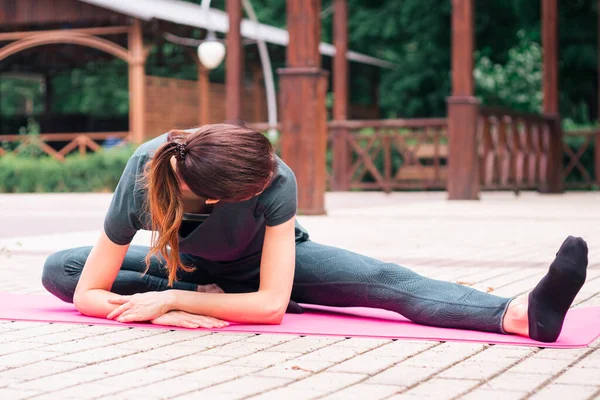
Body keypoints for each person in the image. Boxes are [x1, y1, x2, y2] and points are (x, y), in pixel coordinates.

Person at [42, 124, 589, 342]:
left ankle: (517, 314)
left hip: (270, 269)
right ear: (214, 195)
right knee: (59, 269)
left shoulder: (274, 177)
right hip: (190, 268)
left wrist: (175, 305)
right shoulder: (143, 176)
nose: (275, 176)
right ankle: (215, 295)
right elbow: (88, 287)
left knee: (381, 279)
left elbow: (272, 305)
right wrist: (187, 296)